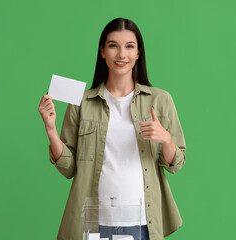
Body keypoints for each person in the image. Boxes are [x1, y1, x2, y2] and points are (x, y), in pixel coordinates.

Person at [38, 17, 186, 240]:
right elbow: (68, 168)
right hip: (93, 223)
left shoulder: (161, 100)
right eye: (113, 45)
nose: (121, 54)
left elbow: (176, 163)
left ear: (138, 53)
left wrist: (165, 138)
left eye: (129, 46)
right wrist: (50, 129)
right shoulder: (81, 101)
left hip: (142, 223)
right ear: (102, 51)